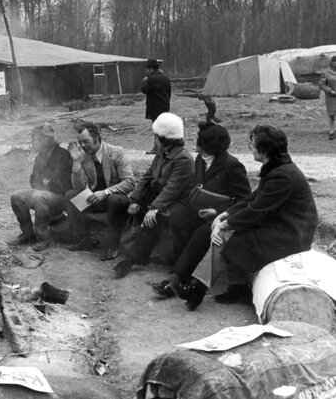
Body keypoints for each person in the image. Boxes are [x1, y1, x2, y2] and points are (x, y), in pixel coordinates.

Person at [177, 125, 318, 310]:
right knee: (229, 234)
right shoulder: (279, 169)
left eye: (251, 144)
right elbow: (253, 198)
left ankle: (201, 288)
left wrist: (223, 224)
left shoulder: (283, 175)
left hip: (292, 235)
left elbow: (257, 210)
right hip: (283, 228)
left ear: (265, 149)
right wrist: (224, 215)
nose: (249, 147)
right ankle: (231, 287)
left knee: (227, 236)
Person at [150, 123, 251, 303]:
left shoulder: (233, 166)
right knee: (178, 218)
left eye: (199, 139)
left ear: (208, 144)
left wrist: (217, 211)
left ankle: (175, 278)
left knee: (201, 233)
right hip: (199, 210)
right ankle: (184, 271)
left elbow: (244, 200)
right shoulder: (199, 159)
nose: (195, 142)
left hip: (220, 218)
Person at [113, 113, 194, 279]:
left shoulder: (183, 158)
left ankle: (135, 259)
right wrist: (135, 199)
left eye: (156, 136)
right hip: (163, 199)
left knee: (155, 219)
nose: (155, 139)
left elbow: (173, 188)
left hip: (180, 202)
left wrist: (154, 208)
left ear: (164, 138)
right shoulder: (162, 153)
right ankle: (133, 256)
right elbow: (147, 176)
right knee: (138, 211)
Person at [65, 122, 135, 260]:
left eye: (86, 141)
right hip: (96, 199)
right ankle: (85, 240)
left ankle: (113, 246)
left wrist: (106, 192)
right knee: (70, 196)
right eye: (80, 142)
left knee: (114, 200)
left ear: (96, 137)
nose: (83, 146)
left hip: (116, 199)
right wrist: (76, 162)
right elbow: (78, 186)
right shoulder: (84, 156)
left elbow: (129, 182)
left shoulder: (117, 153)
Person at [10, 123, 72, 251]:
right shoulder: (40, 156)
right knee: (16, 196)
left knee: (38, 196)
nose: (32, 141)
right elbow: (33, 181)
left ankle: (44, 238)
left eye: (34, 138)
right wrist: (44, 183)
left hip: (62, 197)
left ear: (45, 139)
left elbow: (65, 183)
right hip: (44, 193)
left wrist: (48, 184)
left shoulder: (63, 155)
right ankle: (28, 234)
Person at [141, 59, 171, 154]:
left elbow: (145, 90)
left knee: (156, 127)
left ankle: (158, 148)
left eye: (147, 69)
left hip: (154, 106)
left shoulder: (151, 78)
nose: (146, 71)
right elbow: (169, 91)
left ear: (151, 69)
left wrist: (144, 82)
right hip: (165, 105)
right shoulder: (165, 77)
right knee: (163, 127)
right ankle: (160, 147)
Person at [318, 56, 336, 140]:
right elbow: (321, 85)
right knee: (331, 114)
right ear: (331, 62)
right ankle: (331, 132)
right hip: (331, 97)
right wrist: (330, 91)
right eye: (334, 61)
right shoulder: (326, 72)